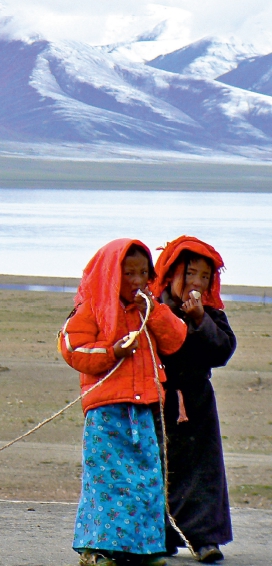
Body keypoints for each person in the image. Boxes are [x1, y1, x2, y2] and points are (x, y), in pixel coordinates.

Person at [59, 239, 188, 566]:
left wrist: (155, 311)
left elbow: (176, 339)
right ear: (111, 274)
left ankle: (144, 548)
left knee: (147, 479)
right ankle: (98, 550)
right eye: (128, 273)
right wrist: (111, 352)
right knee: (107, 481)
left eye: (142, 273)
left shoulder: (149, 309)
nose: (136, 280)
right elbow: (72, 347)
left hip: (143, 411)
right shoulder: (92, 308)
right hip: (105, 413)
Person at [151, 236, 236, 563]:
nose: (196, 283)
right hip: (160, 401)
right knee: (160, 468)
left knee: (203, 471)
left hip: (198, 404)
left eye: (204, 276)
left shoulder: (211, 314)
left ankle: (204, 540)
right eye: (189, 274)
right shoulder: (154, 309)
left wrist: (200, 320)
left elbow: (222, 351)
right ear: (171, 273)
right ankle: (163, 536)